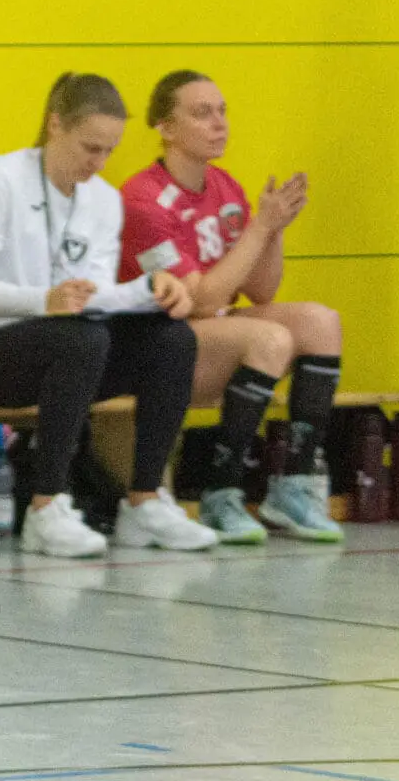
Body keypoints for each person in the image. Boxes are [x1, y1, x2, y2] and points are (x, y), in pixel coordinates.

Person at [0, 73, 215, 558]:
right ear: (55, 125)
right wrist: (43, 300)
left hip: (65, 347)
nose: (99, 162)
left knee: (171, 337)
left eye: (109, 151)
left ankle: (145, 500)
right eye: (90, 148)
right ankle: (47, 506)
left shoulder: (103, 200)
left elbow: (94, 296)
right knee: (80, 339)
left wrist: (150, 290)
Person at [121, 72, 344, 544]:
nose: (219, 123)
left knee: (321, 323)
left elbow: (262, 291)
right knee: (269, 338)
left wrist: (274, 228)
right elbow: (200, 303)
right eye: (201, 113)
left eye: (222, 111)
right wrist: (259, 229)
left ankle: (295, 486)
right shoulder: (143, 199)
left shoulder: (225, 188)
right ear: (165, 127)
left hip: (212, 333)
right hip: (157, 344)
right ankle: (220, 493)